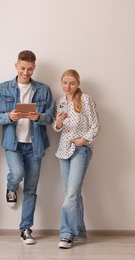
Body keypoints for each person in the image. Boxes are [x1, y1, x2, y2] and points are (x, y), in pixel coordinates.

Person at [0, 50, 54, 244]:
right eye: (22, 68)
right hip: (13, 143)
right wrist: (8, 117)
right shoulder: (3, 88)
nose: (26, 72)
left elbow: (50, 117)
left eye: (29, 69)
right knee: (17, 173)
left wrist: (39, 117)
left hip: (35, 145)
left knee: (31, 189)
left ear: (34, 68)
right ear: (16, 66)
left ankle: (26, 229)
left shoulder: (43, 90)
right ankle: (11, 187)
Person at [53, 69, 100, 249]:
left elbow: (96, 125)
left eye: (72, 83)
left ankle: (66, 234)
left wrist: (84, 140)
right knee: (72, 193)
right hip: (63, 150)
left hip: (81, 149)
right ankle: (79, 230)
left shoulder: (86, 100)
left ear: (78, 83)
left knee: (72, 193)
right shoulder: (61, 102)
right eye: (65, 82)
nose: (68, 86)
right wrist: (58, 122)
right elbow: (57, 128)